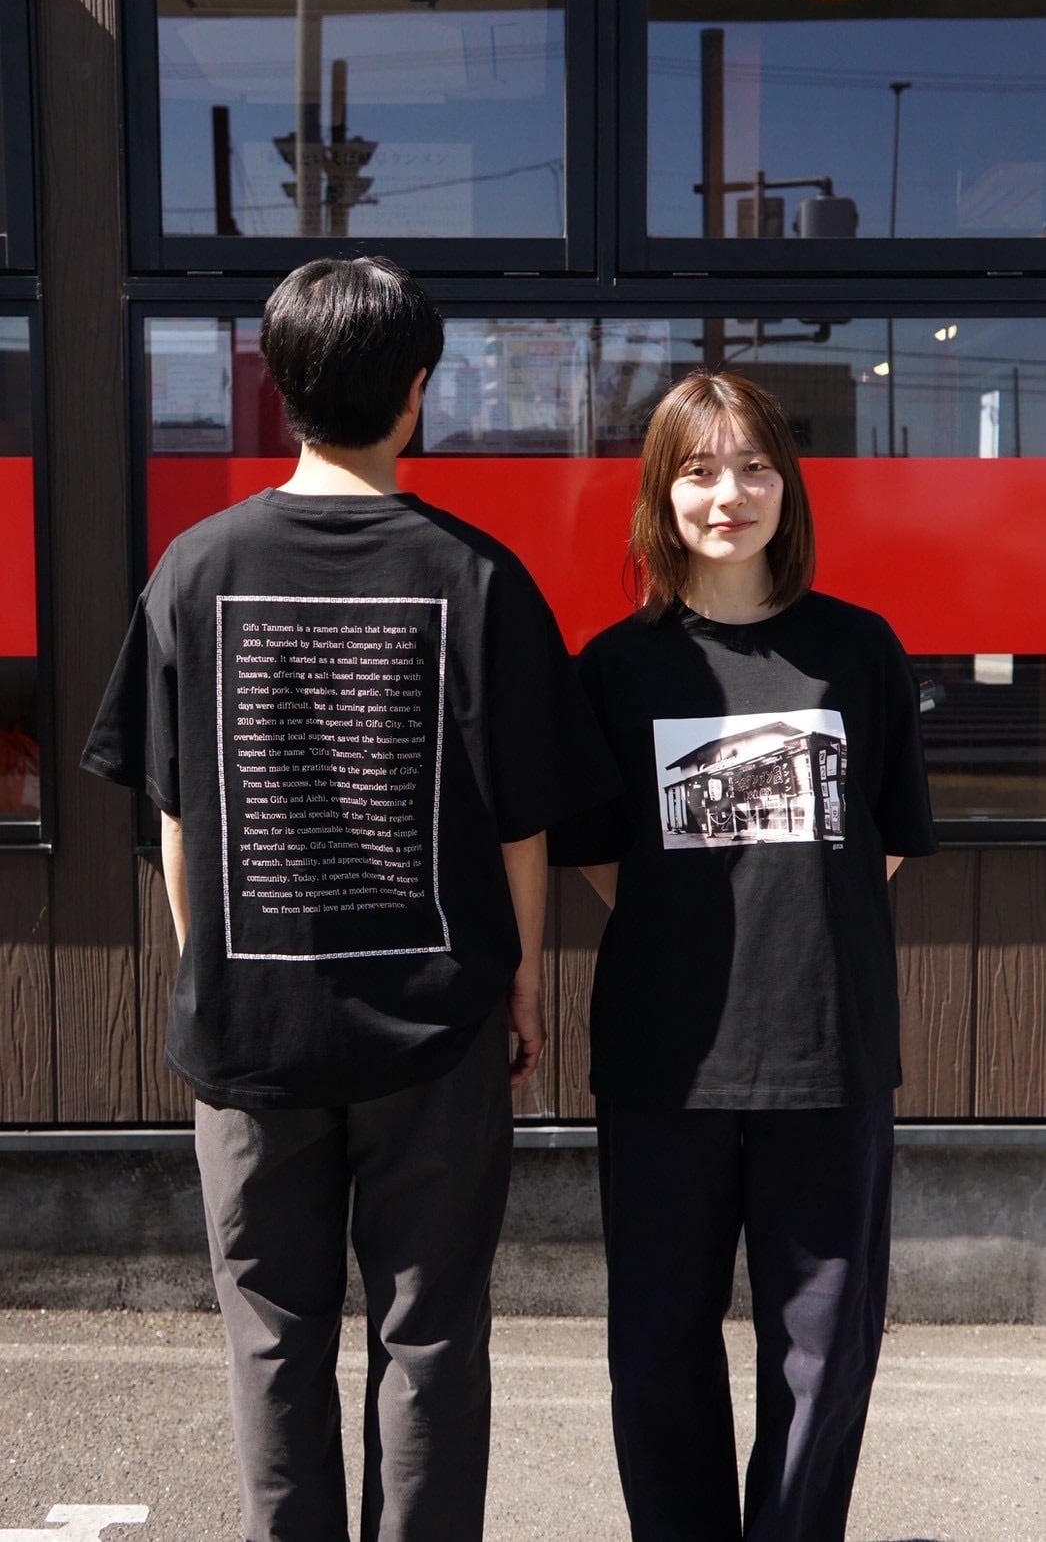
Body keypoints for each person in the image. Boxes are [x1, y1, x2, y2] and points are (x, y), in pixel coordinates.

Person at [82, 255, 618, 1542]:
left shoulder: (196, 567)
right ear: (417, 390)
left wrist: (214, 969)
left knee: (271, 1333)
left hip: (250, 1032)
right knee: (430, 1332)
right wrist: (520, 983)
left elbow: (176, 818)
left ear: (281, 386)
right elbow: (521, 824)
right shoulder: (476, 576)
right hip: (434, 1029)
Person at [549, 370, 937, 1542]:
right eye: (699, 470)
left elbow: (881, 839)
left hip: (826, 1048)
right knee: (656, 1343)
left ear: (788, 485)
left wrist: (790, 923)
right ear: (660, 494)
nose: (730, 494)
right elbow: (600, 852)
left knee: (823, 1349)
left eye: (754, 466)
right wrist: (695, 919)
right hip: (665, 1058)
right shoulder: (615, 666)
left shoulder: (855, 649)